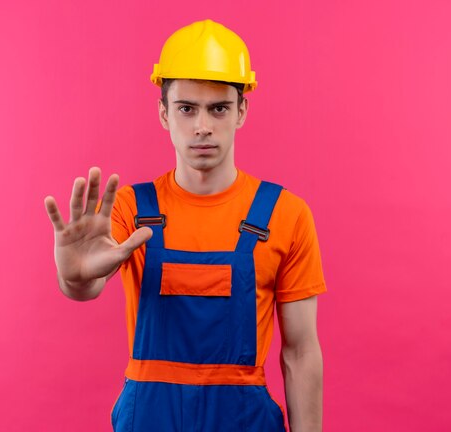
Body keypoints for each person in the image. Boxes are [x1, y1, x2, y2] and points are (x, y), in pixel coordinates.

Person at [44, 19, 326, 432]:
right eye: (186, 108)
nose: (202, 126)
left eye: (219, 108)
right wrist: (73, 277)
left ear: (242, 110)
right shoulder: (129, 208)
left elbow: (300, 352)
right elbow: (86, 285)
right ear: (163, 113)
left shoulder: (286, 213)